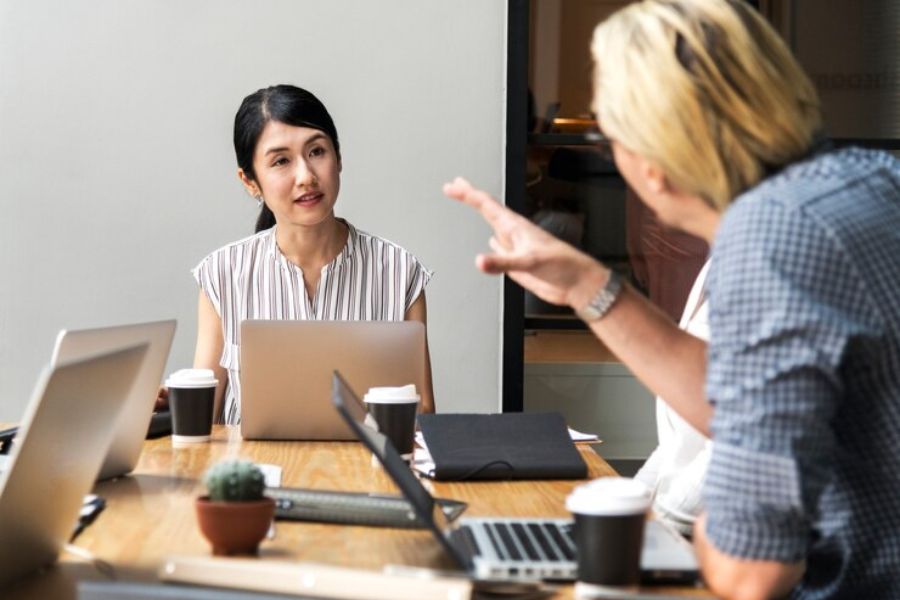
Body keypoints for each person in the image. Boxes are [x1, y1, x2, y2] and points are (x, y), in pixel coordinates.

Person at [442, 1, 900, 598]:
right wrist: (585, 286)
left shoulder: (768, 238)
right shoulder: (870, 177)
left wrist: (703, 527)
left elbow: (751, 572)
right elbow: (751, 402)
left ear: (653, 163)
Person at [191, 84, 434, 424]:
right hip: (256, 474)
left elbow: (421, 415)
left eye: (317, 151)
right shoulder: (222, 273)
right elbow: (202, 420)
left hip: (365, 474)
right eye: (281, 161)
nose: (306, 176)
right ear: (250, 182)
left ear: (338, 157)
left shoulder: (398, 271)